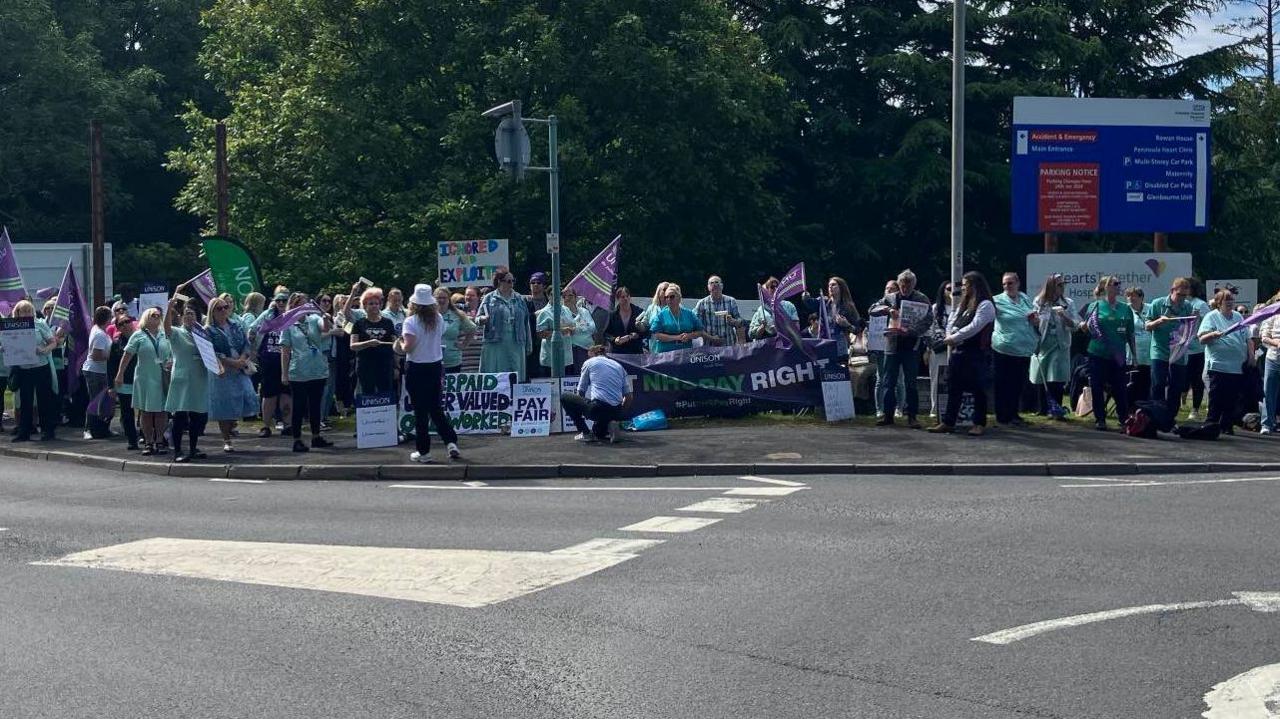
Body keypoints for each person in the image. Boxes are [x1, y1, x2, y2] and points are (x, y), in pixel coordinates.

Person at [395, 284, 461, 463]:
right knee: (436, 408)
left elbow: (408, 346)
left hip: (417, 367)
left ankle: (424, 451)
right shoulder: (439, 318)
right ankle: (450, 441)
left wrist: (399, 344)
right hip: (435, 366)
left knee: (420, 411)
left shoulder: (411, 321)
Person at [928, 271, 995, 436]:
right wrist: (950, 336)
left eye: (966, 285)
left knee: (978, 388)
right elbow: (952, 320)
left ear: (975, 286)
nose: (963, 288)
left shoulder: (985, 305)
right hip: (959, 351)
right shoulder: (964, 305)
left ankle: (979, 423)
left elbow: (975, 326)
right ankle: (948, 422)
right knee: (954, 386)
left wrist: (954, 337)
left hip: (977, 352)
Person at [868, 269, 931, 428]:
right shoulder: (890, 298)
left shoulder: (921, 299)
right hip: (892, 345)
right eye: (902, 285)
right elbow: (871, 310)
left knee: (911, 383)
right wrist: (886, 310)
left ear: (913, 285)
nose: (904, 288)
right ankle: (888, 415)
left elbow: (928, 319)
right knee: (888, 382)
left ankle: (912, 416)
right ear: (899, 284)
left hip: (911, 345)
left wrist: (911, 331)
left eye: (908, 286)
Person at [279, 292, 334, 453]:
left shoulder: (314, 319)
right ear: (294, 306)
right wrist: (284, 373)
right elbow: (285, 351)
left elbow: (325, 328)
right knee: (299, 406)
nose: (303, 308)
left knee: (315, 405)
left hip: (317, 369)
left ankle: (316, 436)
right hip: (298, 371)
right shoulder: (288, 325)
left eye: (305, 305)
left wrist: (325, 317)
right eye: (300, 305)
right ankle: (297, 439)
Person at [205, 296, 259, 452]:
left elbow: (246, 344)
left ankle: (233, 423)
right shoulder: (209, 330)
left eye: (225, 307)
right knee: (224, 406)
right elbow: (211, 352)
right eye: (219, 308)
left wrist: (242, 359)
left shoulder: (236, 325)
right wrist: (230, 362)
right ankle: (226, 439)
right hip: (222, 369)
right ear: (212, 311)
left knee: (247, 395)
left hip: (240, 367)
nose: (223, 310)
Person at [1082, 276, 1136, 432]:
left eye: (1120, 283)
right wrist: (1083, 325)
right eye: (1115, 284)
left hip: (1118, 355)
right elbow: (1085, 329)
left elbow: (1130, 334)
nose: (1119, 286)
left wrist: (1134, 356)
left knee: (1120, 388)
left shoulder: (1125, 308)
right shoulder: (1095, 306)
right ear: (1106, 287)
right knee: (1097, 387)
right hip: (1097, 353)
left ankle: (1123, 419)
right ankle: (1100, 419)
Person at [115, 307, 171, 454]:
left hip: (161, 377)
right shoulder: (138, 335)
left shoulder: (164, 335)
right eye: (153, 315)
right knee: (146, 412)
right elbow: (127, 356)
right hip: (145, 377)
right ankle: (148, 442)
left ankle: (159, 440)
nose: (157, 317)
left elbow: (171, 353)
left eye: (159, 315)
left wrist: (170, 362)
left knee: (161, 411)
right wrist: (120, 374)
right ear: (146, 317)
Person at [1198, 288, 1253, 435]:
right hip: (1218, 366)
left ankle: (1227, 425)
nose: (1229, 303)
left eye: (1231, 300)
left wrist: (1251, 356)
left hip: (1236, 366)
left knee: (1232, 397)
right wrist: (1213, 335)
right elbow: (1202, 339)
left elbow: (1247, 338)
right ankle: (1211, 423)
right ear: (1218, 303)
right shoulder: (1211, 317)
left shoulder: (1238, 317)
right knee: (1216, 397)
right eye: (1226, 300)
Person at [162, 298, 210, 462]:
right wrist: (168, 308)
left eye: (193, 314)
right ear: (182, 317)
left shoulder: (201, 333)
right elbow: (166, 327)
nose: (190, 316)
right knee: (180, 416)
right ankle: (177, 451)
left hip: (199, 377)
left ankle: (193, 448)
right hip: (183, 379)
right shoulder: (177, 332)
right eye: (187, 314)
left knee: (197, 416)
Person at [9, 300, 60, 442]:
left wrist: (43, 350)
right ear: (17, 313)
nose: (26, 313)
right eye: (23, 311)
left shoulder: (40, 325)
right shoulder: (12, 327)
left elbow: (53, 342)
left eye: (28, 310)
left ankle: (47, 431)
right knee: (25, 401)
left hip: (40, 367)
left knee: (44, 399)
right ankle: (24, 432)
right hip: (24, 369)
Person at [991, 272, 1038, 426]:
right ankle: (1003, 416)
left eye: (1010, 283)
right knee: (1004, 383)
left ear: (1018, 283)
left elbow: (1033, 320)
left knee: (1018, 384)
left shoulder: (1024, 298)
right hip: (1004, 348)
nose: (1007, 286)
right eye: (1004, 284)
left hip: (1023, 348)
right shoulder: (997, 301)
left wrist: (1034, 319)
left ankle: (1014, 413)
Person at [562, 344, 632, 443]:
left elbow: (581, 391)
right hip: (615, 410)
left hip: (598, 408)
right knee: (598, 433)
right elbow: (629, 397)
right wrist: (618, 416)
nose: (588, 358)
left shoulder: (589, 363)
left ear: (594, 353)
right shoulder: (619, 366)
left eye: (589, 355)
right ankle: (611, 423)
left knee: (564, 397)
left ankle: (585, 433)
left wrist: (582, 411)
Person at [1146, 277, 1194, 419]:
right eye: (1179, 295)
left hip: (1178, 352)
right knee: (1158, 383)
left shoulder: (1187, 306)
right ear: (1172, 291)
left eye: (1185, 295)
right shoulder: (1158, 303)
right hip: (1160, 350)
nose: (1181, 298)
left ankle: (1170, 418)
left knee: (1176, 387)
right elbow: (1147, 326)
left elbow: (1189, 327)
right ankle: (1156, 415)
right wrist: (1159, 321)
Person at [250, 288, 292, 437]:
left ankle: (288, 425)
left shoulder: (292, 316)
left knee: (286, 394)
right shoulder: (267, 315)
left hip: (287, 360)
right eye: (278, 300)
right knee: (269, 395)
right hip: (269, 360)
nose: (281, 303)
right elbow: (252, 328)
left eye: (284, 300)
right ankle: (266, 426)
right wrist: (253, 348)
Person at [476, 269, 532, 380]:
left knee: (515, 374)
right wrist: (482, 319)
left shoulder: (520, 299)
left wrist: (528, 344)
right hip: (495, 342)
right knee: (496, 373)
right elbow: (477, 318)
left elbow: (526, 323)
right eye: (508, 281)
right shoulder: (489, 298)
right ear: (499, 281)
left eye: (513, 281)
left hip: (516, 341)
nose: (511, 284)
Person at [349, 287, 398, 394]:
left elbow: (394, 345)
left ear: (380, 305)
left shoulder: (388, 322)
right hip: (365, 366)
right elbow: (353, 345)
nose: (374, 306)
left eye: (376, 303)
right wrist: (368, 343)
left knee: (385, 394)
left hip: (385, 365)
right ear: (365, 306)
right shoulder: (359, 323)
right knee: (368, 394)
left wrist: (396, 366)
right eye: (371, 304)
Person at [106, 314, 139, 450]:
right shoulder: (116, 343)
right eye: (121, 324)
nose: (124, 325)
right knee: (127, 412)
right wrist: (111, 386)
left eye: (127, 321)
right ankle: (132, 440)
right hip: (124, 382)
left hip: (141, 380)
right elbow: (111, 366)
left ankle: (148, 437)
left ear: (132, 322)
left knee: (145, 411)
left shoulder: (141, 338)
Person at [81, 306, 114, 439]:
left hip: (100, 371)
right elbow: (96, 355)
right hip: (95, 371)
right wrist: (112, 356)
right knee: (95, 401)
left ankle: (102, 428)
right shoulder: (100, 334)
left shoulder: (99, 331)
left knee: (103, 402)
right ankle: (88, 429)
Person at [650, 284, 710, 353]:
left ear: (679, 298)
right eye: (666, 297)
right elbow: (656, 335)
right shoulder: (661, 315)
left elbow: (700, 331)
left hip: (685, 353)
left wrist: (689, 336)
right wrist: (677, 337)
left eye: (672, 297)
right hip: (666, 355)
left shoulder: (689, 313)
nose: (668, 299)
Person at [537, 286, 582, 374]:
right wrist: (561, 331)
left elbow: (572, 326)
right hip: (551, 358)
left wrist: (572, 330)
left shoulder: (566, 310)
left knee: (565, 385)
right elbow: (540, 334)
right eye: (553, 294)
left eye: (559, 294)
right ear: (548, 296)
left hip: (567, 357)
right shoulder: (544, 312)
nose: (557, 296)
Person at [1184, 279, 1211, 421]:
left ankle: (1195, 409)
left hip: (1197, 350)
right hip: (1180, 350)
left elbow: (1208, 324)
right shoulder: (1179, 304)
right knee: (1181, 382)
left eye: (1186, 287)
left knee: (1196, 381)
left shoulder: (1200, 305)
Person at [434, 285, 476, 373]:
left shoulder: (457, 315)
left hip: (452, 361)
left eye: (444, 298)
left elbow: (472, 329)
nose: (441, 300)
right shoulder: (429, 315)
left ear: (449, 299)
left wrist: (464, 344)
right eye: (439, 298)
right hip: (432, 361)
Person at [694, 275, 746, 346]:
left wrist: (734, 321)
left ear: (722, 286)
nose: (714, 284)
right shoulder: (702, 303)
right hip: (709, 345)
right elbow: (697, 326)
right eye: (711, 283)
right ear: (708, 287)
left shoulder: (731, 301)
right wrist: (712, 338)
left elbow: (741, 321)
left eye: (717, 282)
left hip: (728, 344)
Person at [821, 276, 865, 359]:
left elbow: (858, 329)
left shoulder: (848, 306)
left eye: (833, 285)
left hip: (842, 348)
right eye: (829, 285)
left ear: (841, 288)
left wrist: (847, 324)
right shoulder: (824, 305)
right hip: (826, 346)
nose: (830, 287)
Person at [926, 280, 952, 419]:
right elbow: (930, 329)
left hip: (955, 347)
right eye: (948, 289)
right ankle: (935, 408)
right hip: (939, 348)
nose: (951, 292)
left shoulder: (960, 308)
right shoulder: (936, 308)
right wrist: (928, 348)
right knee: (936, 378)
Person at [1125, 288, 1153, 403]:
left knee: (1146, 382)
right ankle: (1131, 407)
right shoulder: (1125, 310)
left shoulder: (1150, 308)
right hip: (1132, 353)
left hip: (1149, 352)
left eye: (1134, 295)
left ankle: (1145, 407)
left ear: (1141, 297)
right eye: (1128, 296)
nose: (1131, 298)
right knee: (1132, 383)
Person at [1258, 293, 1280, 434]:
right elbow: (1264, 337)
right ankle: (1267, 423)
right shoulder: (1272, 315)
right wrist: (1276, 342)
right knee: (1268, 392)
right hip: (1273, 358)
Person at [524, 271, 550, 378]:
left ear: (544, 286)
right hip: (532, 343)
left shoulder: (549, 301)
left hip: (547, 343)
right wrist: (534, 314)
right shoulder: (524, 301)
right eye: (532, 282)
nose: (535, 285)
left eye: (539, 282)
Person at [604, 286, 644, 355]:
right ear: (618, 299)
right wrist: (614, 339)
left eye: (627, 296)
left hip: (636, 352)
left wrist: (635, 335)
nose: (626, 299)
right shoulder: (613, 315)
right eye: (622, 297)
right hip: (618, 353)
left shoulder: (639, 312)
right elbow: (606, 334)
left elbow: (646, 331)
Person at [564, 290, 597, 370]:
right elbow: (567, 331)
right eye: (565, 296)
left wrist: (577, 328)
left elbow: (593, 328)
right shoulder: (561, 313)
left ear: (576, 298)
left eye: (570, 296)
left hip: (587, 349)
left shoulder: (584, 311)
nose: (567, 298)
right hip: (571, 350)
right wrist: (584, 328)